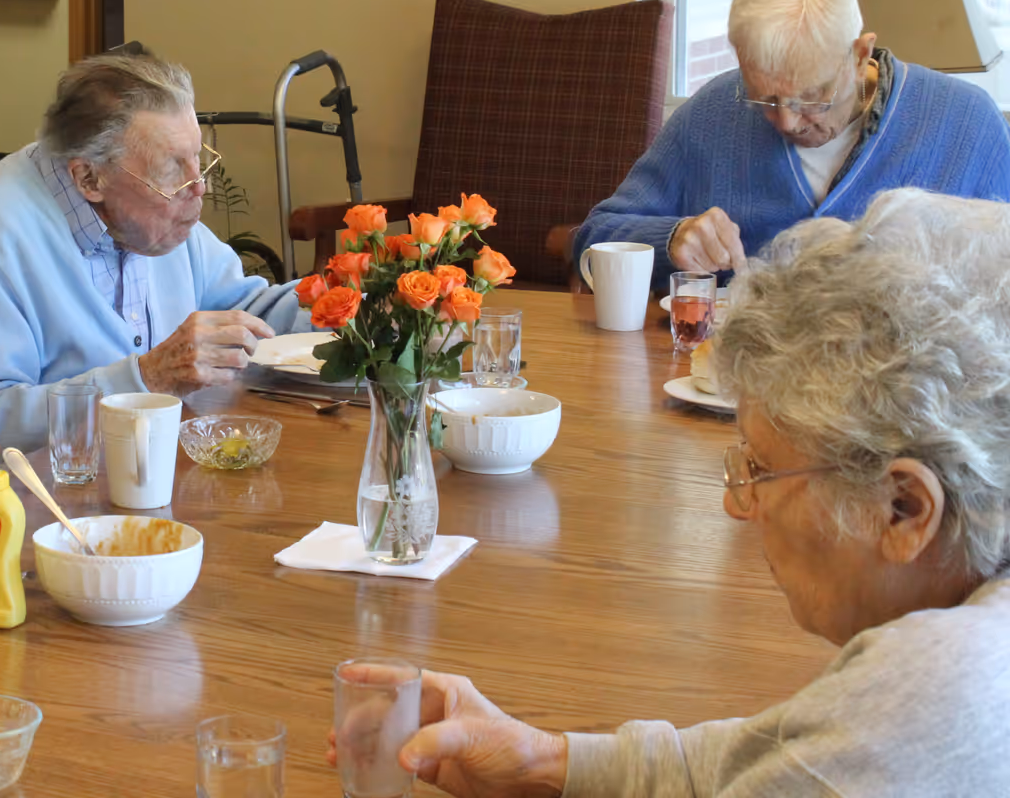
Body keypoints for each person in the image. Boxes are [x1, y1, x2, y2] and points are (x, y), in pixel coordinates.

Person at [335, 188, 1010, 795]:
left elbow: (825, 760)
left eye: (760, 470)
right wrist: (543, 761)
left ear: (904, 509)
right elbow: (786, 747)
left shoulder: (931, 703)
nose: (736, 503)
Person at [0, 49, 306, 450]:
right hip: (48, 494)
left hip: (164, 462)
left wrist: (355, 306)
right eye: (172, 169)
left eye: (198, 159)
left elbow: (246, 309)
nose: (199, 186)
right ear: (89, 178)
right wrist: (148, 380)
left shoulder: (159, 214)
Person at [574, 0, 1010, 293]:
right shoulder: (713, 113)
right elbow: (593, 237)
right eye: (763, 95)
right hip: (727, 389)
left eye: (811, 99)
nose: (785, 120)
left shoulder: (966, 126)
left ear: (860, 55)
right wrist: (671, 240)